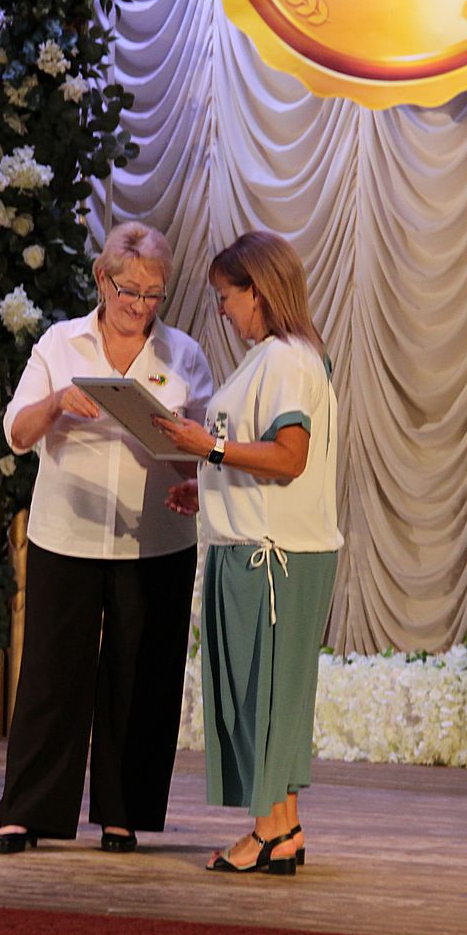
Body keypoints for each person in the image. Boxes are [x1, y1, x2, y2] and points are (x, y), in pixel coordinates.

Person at [0, 221, 214, 855]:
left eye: (153, 294)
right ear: (101, 278)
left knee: (141, 677)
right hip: (68, 532)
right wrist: (58, 402)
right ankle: (26, 812)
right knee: (51, 676)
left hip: (155, 540)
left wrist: (179, 441)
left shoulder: (183, 355)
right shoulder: (61, 344)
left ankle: (124, 813)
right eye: (129, 291)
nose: (140, 306)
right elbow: (17, 433)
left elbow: (206, 454)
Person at [153, 230, 341, 876]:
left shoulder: (285, 359)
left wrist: (206, 448)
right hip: (267, 547)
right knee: (270, 695)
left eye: (226, 296)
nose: (222, 309)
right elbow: (257, 457)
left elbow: (290, 457)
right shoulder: (280, 356)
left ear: (257, 291)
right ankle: (283, 827)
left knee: (261, 695)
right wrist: (209, 483)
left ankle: (264, 833)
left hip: (272, 557)